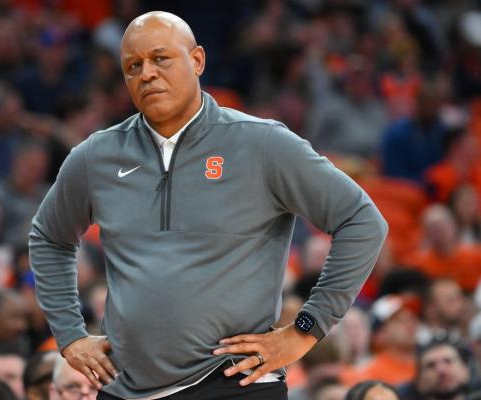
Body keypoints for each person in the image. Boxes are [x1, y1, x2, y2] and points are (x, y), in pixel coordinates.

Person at [29, 11, 388, 400]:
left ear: (197, 60)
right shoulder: (96, 155)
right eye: (133, 66)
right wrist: (70, 335)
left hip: (235, 383)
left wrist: (306, 328)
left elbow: (362, 220)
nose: (146, 73)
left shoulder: (261, 143)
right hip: (125, 387)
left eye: (160, 58)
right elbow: (49, 236)